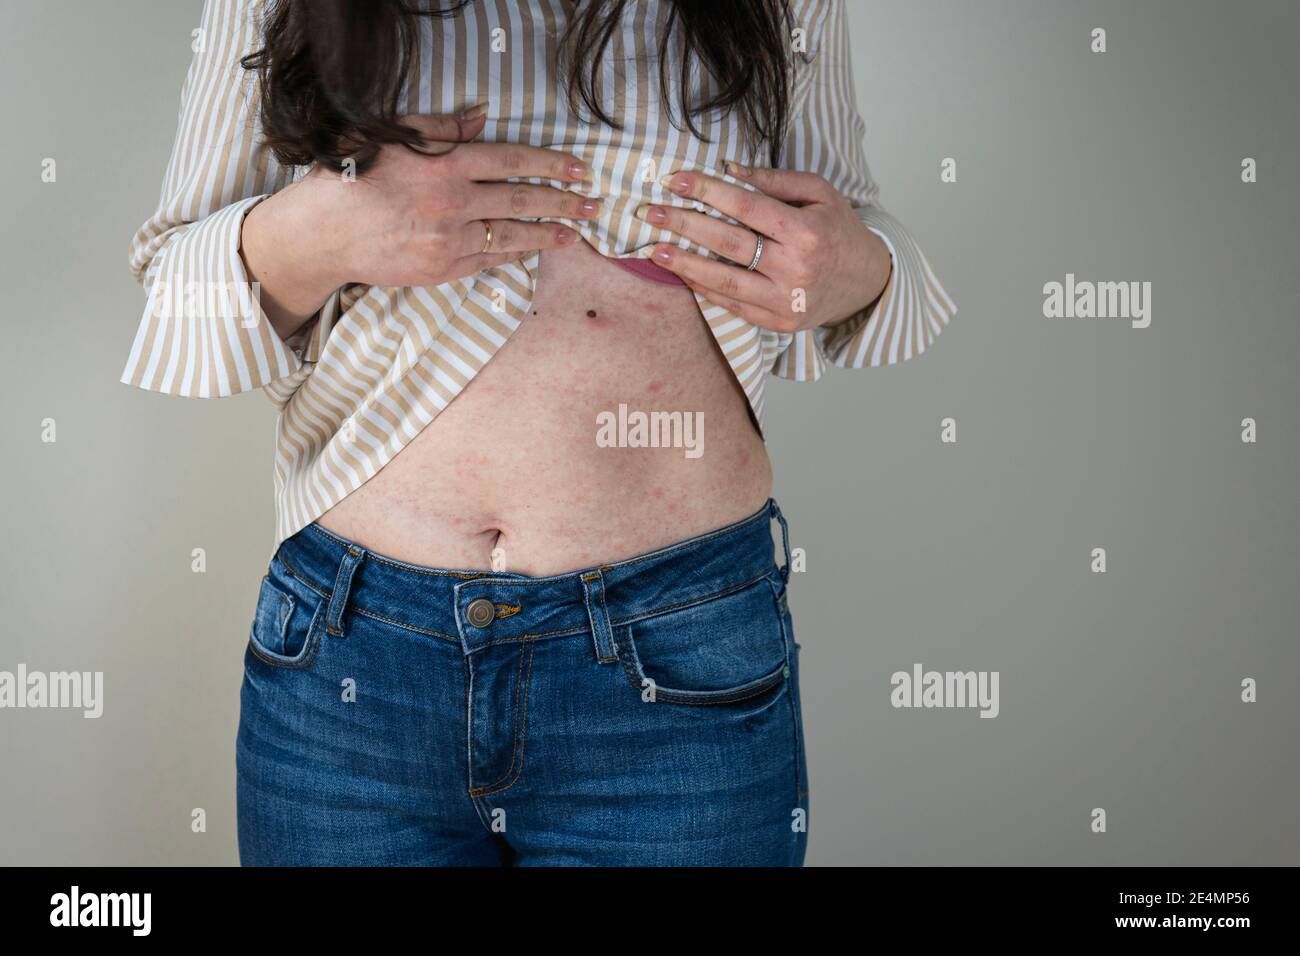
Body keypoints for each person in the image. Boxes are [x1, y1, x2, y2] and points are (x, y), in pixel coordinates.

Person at [120, 0, 956, 866]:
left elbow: (847, 237)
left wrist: (850, 268)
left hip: (678, 660)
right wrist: (330, 230)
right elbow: (174, 284)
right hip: (351, 663)